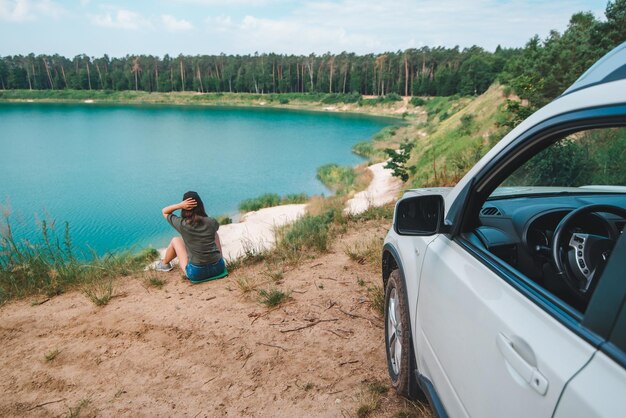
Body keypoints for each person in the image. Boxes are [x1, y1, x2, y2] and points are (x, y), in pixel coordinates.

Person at [155, 191, 227, 283]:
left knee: (175, 240)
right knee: (215, 233)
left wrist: (179, 205)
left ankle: (164, 264)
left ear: (185, 208)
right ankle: (219, 258)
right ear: (201, 205)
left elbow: (164, 211)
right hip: (218, 268)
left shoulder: (182, 224)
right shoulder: (211, 222)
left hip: (196, 273)